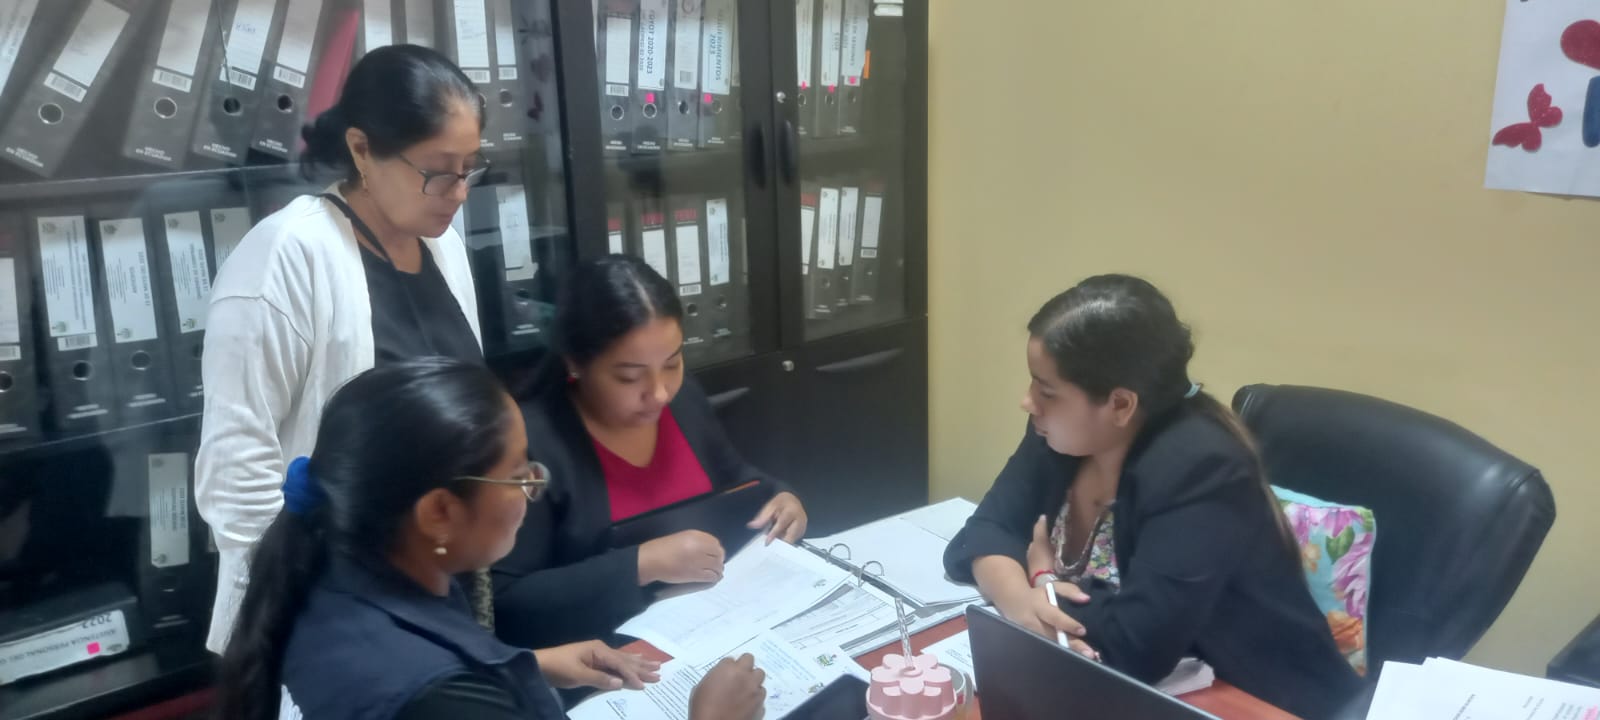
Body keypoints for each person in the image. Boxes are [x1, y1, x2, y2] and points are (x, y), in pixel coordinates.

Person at [213, 358, 768, 720]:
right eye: (518, 474)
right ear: (439, 512)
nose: (532, 488)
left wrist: (532, 664)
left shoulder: (331, 566)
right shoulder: (436, 697)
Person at [942, 275, 1362, 720]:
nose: (1028, 402)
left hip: (1254, 696)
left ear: (1120, 405)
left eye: (1046, 391)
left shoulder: (1201, 467)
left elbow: (1135, 646)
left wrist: (1042, 580)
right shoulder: (1059, 434)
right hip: (1114, 683)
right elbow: (983, 531)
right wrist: (1020, 599)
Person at [196, 45, 493, 653]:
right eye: (439, 170)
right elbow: (236, 471)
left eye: (470, 168)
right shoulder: (286, 256)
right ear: (361, 149)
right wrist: (305, 614)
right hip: (334, 605)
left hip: (439, 585)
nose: (459, 192)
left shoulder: (443, 244)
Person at [493, 255, 809, 649]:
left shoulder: (682, 400)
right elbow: (506, 605)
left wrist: (782, 497)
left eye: (672, 364)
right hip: (603, 658)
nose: (659, 393)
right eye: (629, 376)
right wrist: (640, 564)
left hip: (712, 631)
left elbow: (737, 482)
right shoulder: (528, 444)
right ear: (575, 362)